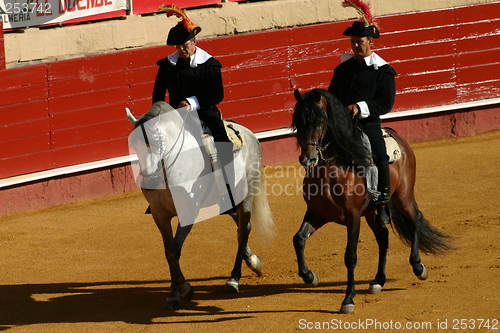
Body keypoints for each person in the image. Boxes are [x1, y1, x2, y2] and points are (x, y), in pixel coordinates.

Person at [152, 5, 236, 210]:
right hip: (176, 117)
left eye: (185, 44)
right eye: (178, 46)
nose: (182, 49)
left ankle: (229, 193)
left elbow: (218, 95)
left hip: (206, 114)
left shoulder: (210, 64)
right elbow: (157, 95)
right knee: (157, 145)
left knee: (221, 143)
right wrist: (158, 114)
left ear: (194, 42)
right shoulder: (167, 66)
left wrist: (192, 102)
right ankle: (159, 192)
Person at [328, 20, 397, 225]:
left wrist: (360, 108)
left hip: (368, 124)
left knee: (380, 156)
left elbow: (385, 103)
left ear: (370, 42)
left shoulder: (383, 71)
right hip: (342, 125)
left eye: (360, 41)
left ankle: (383, 202)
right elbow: (332, 96)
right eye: (353, 41)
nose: (355, 45)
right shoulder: (343, 69)